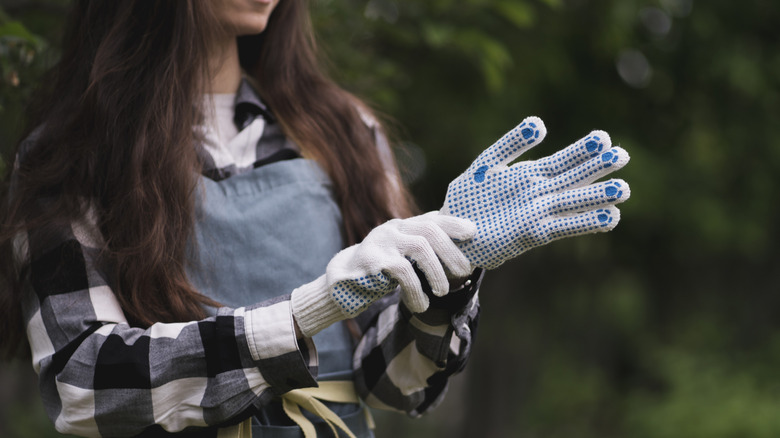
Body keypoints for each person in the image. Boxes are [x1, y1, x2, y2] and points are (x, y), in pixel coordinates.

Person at [0, 1, 630, 437]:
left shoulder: (344, 131)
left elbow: (397, 387)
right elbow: (84, 385)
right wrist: (306, 312)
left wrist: (446, 280)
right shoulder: (71, 156)